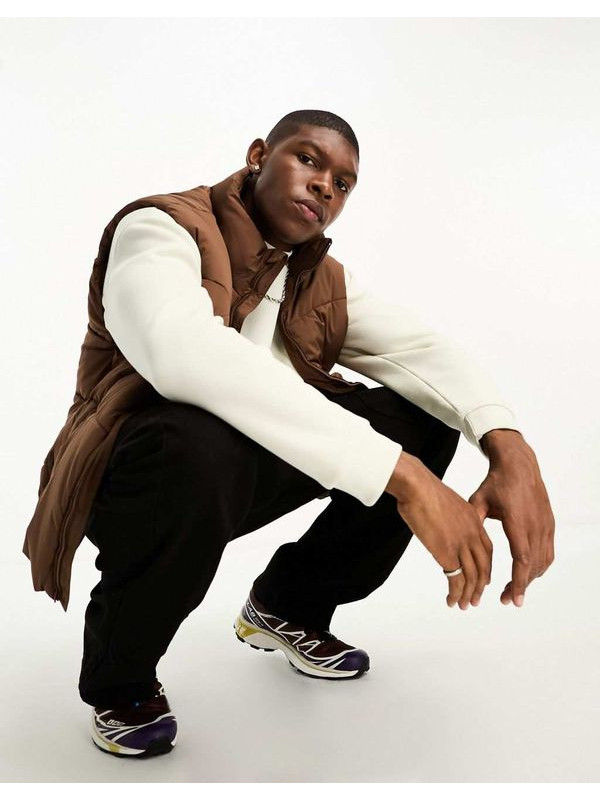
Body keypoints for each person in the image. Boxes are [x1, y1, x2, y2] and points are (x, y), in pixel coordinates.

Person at [23, 109, 555, 759]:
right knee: (194, 442)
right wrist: (406, 479)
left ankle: (288, 606)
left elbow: (422, 353)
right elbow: (182, 353)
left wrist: (510, 449)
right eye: (308, 159)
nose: (325, 185)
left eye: (343, 183)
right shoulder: (160, 229)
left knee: (421, 419)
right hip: (140, 477)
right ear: (258, 156)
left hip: (234, 471)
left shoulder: (313, 277)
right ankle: (121, 680)